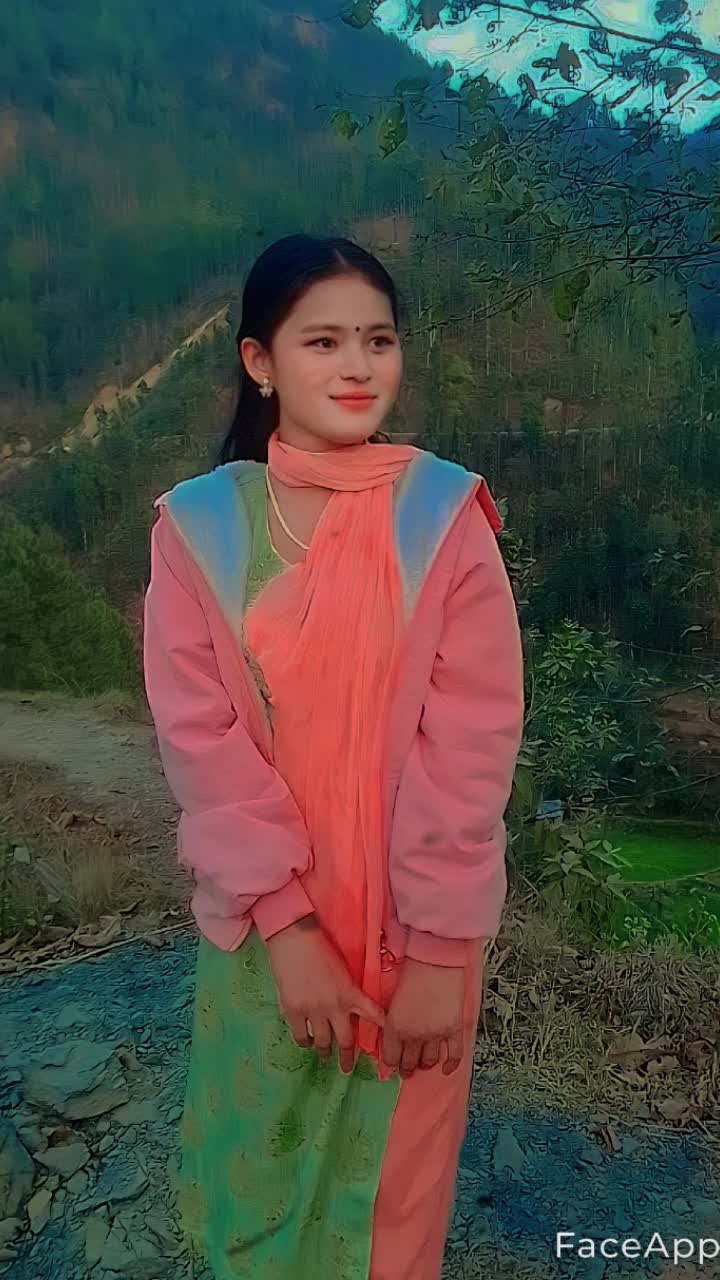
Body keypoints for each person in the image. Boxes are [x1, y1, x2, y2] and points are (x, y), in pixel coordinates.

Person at [143, 232, 524, 1280]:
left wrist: (441, 951)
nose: (358, 366)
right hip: (268, 927)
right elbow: (202, 741)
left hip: (415, 935)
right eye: (323, 342)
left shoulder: (442, 518)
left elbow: (471, 744)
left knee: (389, 1200)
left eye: (378, 340)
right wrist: (289, 928)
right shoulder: (201, 529)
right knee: (260, 1182)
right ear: (259, 361)